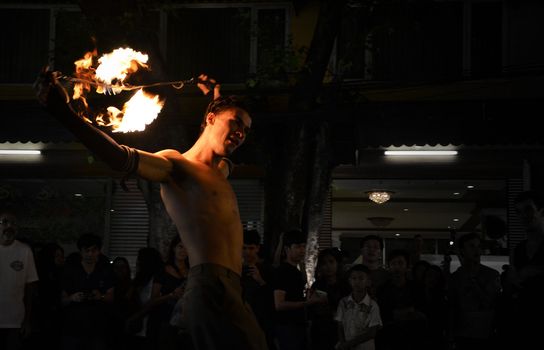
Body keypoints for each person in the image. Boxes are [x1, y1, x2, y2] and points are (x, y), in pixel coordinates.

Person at [35, 69, 267, 349]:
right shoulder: (175, 165)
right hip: (210, 286)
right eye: (236, 123)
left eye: (246, 129)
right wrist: (64, 112)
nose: (242, 133)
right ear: (210, 119)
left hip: (232, 287)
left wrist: (216, 97)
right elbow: (119, 156)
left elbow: (211, 139)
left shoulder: (220, 171)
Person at [0, 208, 39, 350]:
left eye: (13, 223)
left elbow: (30, 286)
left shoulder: (24, 250)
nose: (9, 226)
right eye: (4, 222)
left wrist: (27, 320)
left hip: (15, 320)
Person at [335, 264, 382, 350]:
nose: (357, 282)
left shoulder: (372, 305)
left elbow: (372, 332)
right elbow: (340, 325)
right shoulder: (343, 302)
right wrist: (342, 343)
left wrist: (348, 344)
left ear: (368, 282)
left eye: (361, 278)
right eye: (354, 278)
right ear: (349, 281)